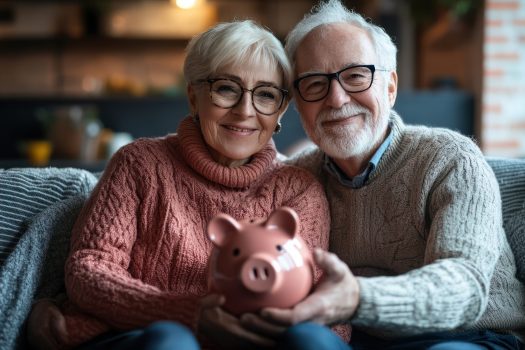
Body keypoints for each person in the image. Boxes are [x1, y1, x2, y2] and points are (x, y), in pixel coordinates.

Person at [26, 20, 339, 350]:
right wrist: (186, 314)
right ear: (194, 97)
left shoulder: (297, 189)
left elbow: (315, 298)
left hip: (262, 340)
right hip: (145, 334)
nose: (245, 110)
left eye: (265, 94)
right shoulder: (140, 163)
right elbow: (88, 271)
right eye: (227, 89)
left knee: (311, 340)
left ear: (280, 111)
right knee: (172, 341)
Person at [242, 1, 525, 349]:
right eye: (314, 84)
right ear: (299, 104)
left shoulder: (450, 158)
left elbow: (463, 285)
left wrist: (357, 297)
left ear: (389, 86)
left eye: (356, 75)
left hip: (471, 335)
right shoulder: (299, 176)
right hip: (358, 338)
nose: (336, 98)